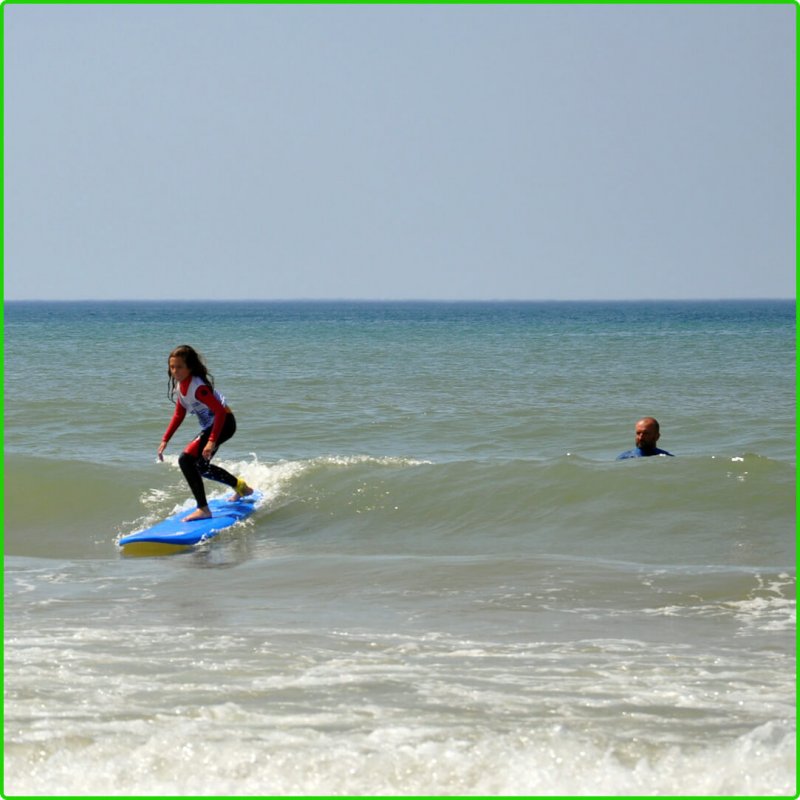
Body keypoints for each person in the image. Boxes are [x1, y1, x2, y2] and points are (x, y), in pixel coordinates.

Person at [157, 345, 253, 521]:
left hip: (224, 423)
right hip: (214, 425)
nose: (175, 371)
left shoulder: (198, 388)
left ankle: (203, 509)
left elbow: (220, 412)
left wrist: (211, 441)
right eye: (172, 367)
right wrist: (165, 440)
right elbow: (179, 413)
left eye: (179, 367)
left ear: (190, 367)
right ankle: (241, 487)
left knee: (185, 460)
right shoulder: (180, 386)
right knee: (200, 466)